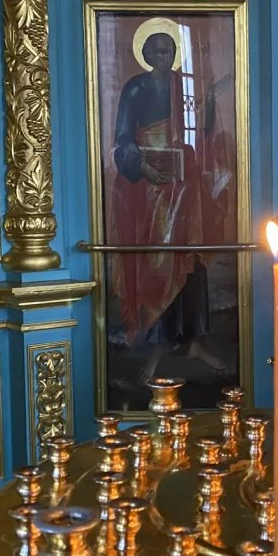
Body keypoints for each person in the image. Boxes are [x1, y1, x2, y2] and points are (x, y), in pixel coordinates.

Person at [107, 28, 228, 385]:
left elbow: (201, 128)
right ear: (146, 54)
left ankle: (194, 342)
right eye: (158, 51)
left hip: (186, 185)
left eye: (169, 51)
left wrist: (210, 97)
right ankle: (157, 346)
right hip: (152, 191)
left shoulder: (182, 85)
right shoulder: (136, 88)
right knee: (160, 263)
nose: (164, 57)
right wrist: (143, 167)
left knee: (192, 260)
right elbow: (122, 139)